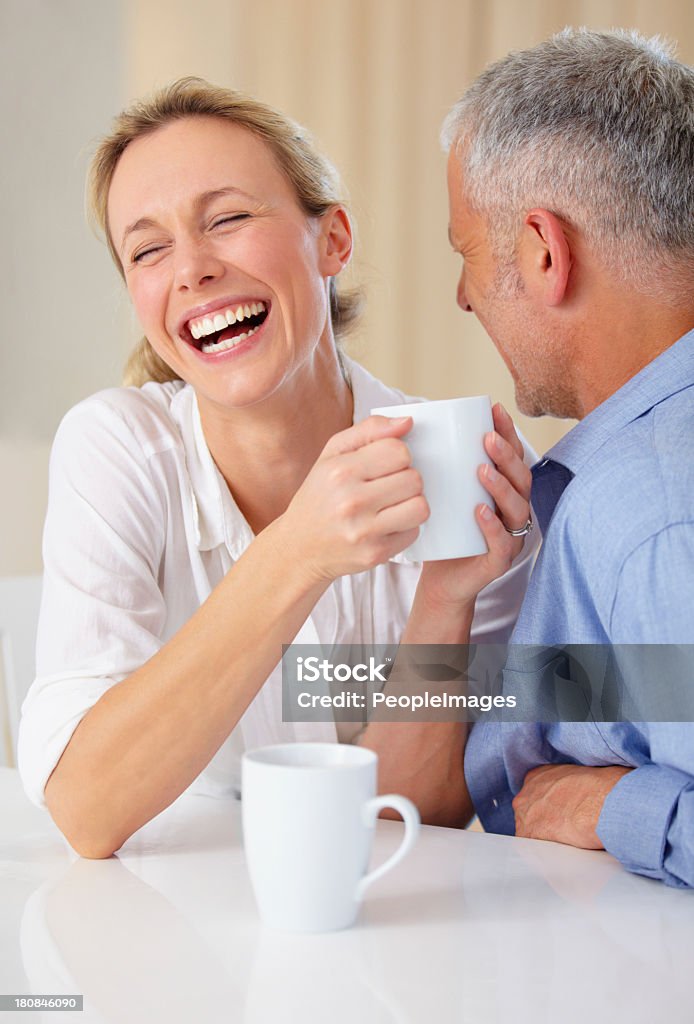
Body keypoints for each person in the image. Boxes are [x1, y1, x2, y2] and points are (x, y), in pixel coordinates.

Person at [18, 78, 537, 858]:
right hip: (166, 912)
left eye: (227, 219)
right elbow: (87, 810)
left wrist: (445, 599)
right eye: (149, 248)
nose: (191, 269)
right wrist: (298, 550)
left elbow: (404, 831)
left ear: (332, 240)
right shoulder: (116, 449)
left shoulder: (458, 466)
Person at [441, 28, 694, 886]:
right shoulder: (629, 487)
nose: (464, 295)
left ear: (544, 251)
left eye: (467, 252)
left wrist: (610, 808)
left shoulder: (655, 511)